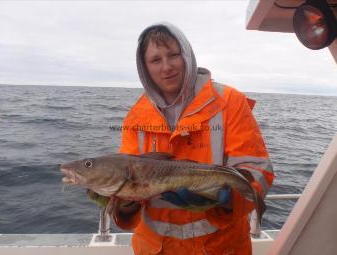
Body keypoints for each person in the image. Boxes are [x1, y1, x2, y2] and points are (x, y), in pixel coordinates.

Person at [113, 22, 274, 255]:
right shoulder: (135, 118)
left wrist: (226, 198)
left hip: (222, 248)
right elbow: (127, 185)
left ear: (187, 56)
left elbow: (258, 171)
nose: (166, 67)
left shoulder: (229, 101)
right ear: (144, 68)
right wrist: (124, 204)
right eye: (156, 60)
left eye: (173, 55)